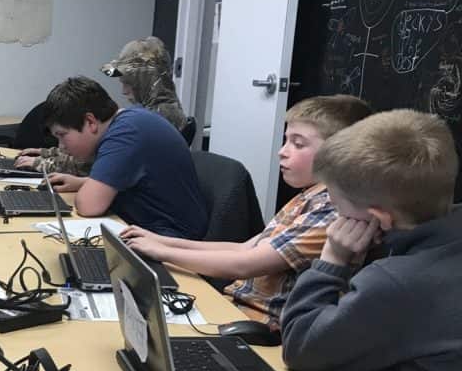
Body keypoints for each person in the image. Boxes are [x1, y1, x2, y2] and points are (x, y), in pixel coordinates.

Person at [281, 109, 462, 371]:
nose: (333, 215)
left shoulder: (398, 283)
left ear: (377, 218)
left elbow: (300, 347)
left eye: (336, 205)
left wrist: (332, 259)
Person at [122, 95, 373, 328]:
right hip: (233, 307)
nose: (282, 151)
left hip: (259, 326)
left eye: (298, 144)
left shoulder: (331, 213)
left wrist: (162, 252)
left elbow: (244, 264)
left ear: (340, 154)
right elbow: (243, 248)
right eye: (286, 140)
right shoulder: (308, 196)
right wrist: (159, 241)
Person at [42, 76, 207, 239]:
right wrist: (81, 183)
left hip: (171, 241)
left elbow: (88, 206)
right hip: (151, 229)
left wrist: (88, 189)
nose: (61, 146)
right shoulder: (131, 119)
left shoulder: (125, 134)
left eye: (62, 135)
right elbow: (131, 179)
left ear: (90, 122)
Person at [16, 36, 187, 174]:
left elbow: (100, 164)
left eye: (129, 83)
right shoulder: (148, 112)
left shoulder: (159, 116)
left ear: (146, 80)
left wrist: (42, 163)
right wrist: (49, 153)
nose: (124, 91)